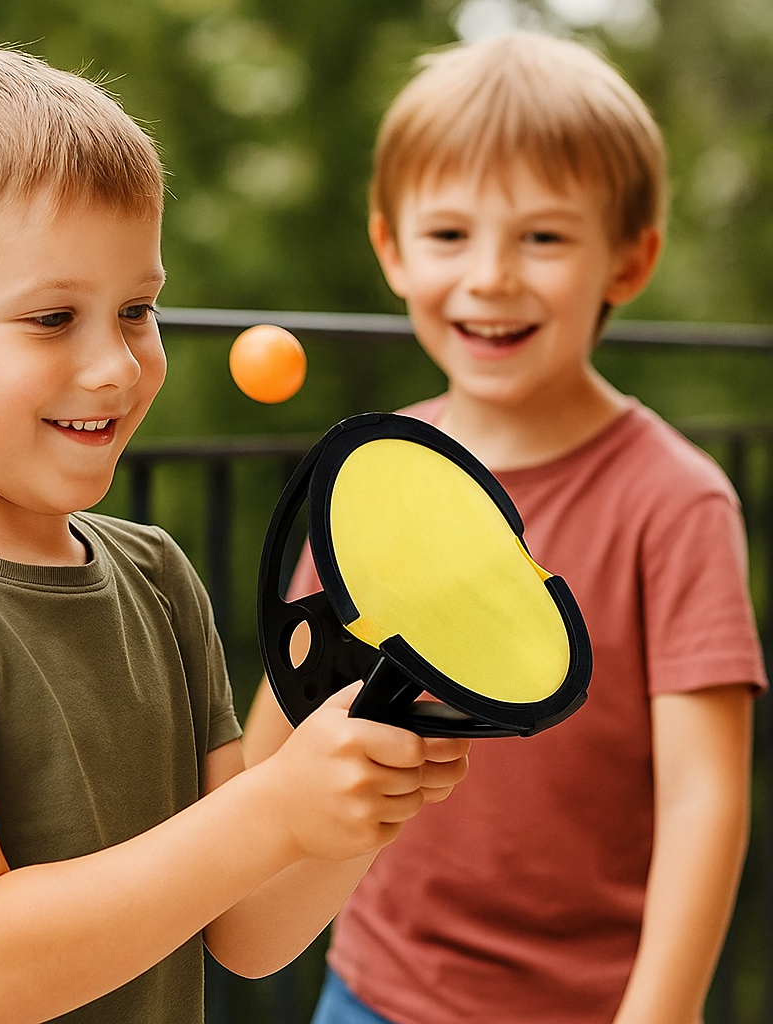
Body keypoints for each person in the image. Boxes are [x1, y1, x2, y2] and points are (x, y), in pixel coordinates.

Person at [0, 40, 472, 1024]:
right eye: (53, 317)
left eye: (137, 308)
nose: (116, 366)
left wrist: (354, 792)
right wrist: (272, 807)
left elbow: (248, 930)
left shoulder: (155, 575)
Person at [243, 31, 767, 1024]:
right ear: (390, 249)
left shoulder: (677, 499)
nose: (489, 275)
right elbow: (283, 723)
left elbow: (705, 800)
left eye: (542, 237)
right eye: (447, 235)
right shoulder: (375, 477)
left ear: (630, 258)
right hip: (372, 990)